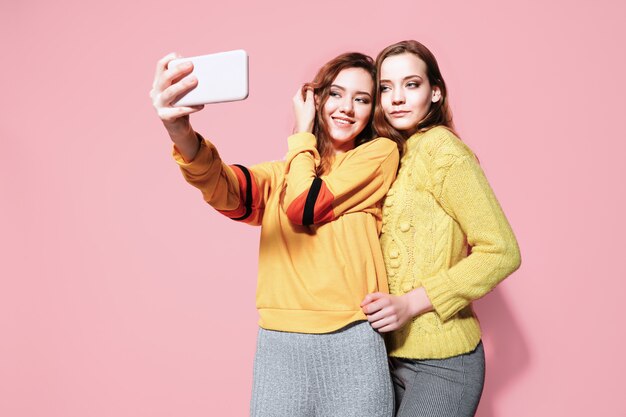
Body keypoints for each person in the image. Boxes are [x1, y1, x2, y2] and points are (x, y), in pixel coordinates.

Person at [150, 51, 399, 417]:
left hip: (353, 340)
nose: (346, 107)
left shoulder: (378, 155)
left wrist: (301, 135)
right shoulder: (285, 172)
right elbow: (222, 186)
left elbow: (304, 205)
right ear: (315, 99)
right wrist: (180, 131)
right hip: (280, 347)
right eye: (336, 94)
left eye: (361, 99)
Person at [360, 40, 522, 417]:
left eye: (411, 84)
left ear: (435, 92)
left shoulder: (442, 150)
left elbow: (502, 251)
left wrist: (409, 303)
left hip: (444, 364)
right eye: (386, 87)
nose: (397, 98)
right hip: (385, 358)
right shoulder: (391, 153)